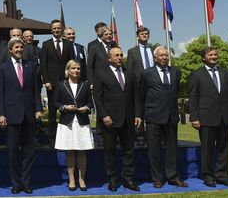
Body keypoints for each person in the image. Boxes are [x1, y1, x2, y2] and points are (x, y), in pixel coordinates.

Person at [189, 47, 228, 187]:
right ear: (203, 58)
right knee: (207, 149)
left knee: (224, 148)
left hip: (225, 117)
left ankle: (222, 175)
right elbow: (193, 98)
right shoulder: (197, 74)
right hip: (206, 118)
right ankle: (208, 176)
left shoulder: (226, 73)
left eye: (215, 54)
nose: (214, 56)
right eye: (210, 54)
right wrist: (194, 117)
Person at [0, 38, 43, 194]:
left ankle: (26, 182)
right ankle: (16, 183)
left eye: (21, 47)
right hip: (11, 115)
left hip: (29, 115)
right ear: (10, 49)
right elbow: (0, 94)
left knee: (29, 152)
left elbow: (37, 90)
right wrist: (1, 114)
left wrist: (39, 108)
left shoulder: (31, 66)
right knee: (13, 152)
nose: (19, 49)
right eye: (16, 47)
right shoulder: (3, 68)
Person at [92, 47, 142, 192]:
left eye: (121, 55)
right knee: (110, 152)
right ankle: (112, 180)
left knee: (129, 151)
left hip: (128, 119)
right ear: (109, 58)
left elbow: (136, 96)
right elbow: (98, 97)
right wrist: (104, 115)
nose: (120, 57)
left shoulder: (130, 73)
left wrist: (138, 114)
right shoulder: (101, 74)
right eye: (117, 55)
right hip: (110, 120)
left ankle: (128, 179)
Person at [139, 47, 187, 188]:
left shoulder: (176, 72)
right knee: (154, 149)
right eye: (162, 55)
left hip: (171, 116)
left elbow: (174, 91)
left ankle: (173, 176)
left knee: (172, 149)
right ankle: (157, 178)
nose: (165, 57)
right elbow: (142, 95)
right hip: (153, 116)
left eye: (166, 55)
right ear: (155, 58)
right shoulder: (147, 73)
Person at [53, 60, 94, 191]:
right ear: (67, 70)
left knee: (81, 152)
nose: (76, 71)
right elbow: (55, 102)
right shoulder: (60, 85)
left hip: (82, 121)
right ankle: (71, 179)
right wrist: (65, 107)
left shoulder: (85, 85)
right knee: (69, 152)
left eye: (78, 68)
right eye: (73, 68)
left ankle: (82, 179)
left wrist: (86, 108)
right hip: (67, 122)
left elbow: (90, 103)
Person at [40, 19, 75, 147]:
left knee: (67, 111)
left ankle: (67, 137)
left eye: (58, 28)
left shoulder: (68, 44)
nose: (56, 30)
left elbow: (72, 63)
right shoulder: (46, 44)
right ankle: (52, 138)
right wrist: (46, 81)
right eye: (54, 28)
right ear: (51, 30)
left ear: (62, 29)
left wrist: (72, 80)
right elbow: (43, 65)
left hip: (66, 83)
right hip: (52, 84)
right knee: (53, 112)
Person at [126, 27, 154, 147]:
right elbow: (129, 69)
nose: (144, 36)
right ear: (138, 36)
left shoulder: (154, 50)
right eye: (142, 34)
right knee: (139, 110)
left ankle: (153, 135)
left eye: (146, 34)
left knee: (153, 110)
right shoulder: (132, 51)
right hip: (138, 85)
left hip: (153, 84)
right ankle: (140, 135)